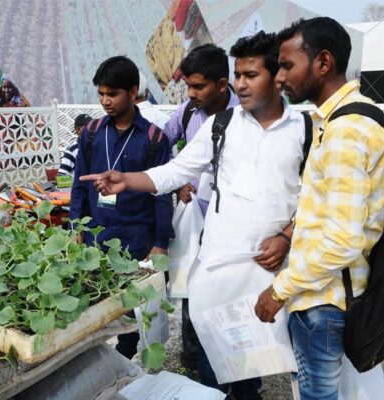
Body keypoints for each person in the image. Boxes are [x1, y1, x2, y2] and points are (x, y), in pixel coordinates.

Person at [81, 31, 308, 399]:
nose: (241, 84)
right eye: (238, 75)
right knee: (214, 363)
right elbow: (175, 171)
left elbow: (313, 201)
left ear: (278, 77)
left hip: (269, 272)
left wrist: (287, 236)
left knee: (264, 363)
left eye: (251, 75)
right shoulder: (223, 125)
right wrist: (128, 179)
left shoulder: (304, 131)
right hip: (218, 270)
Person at [253, 18, 384, 400]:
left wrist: (279, 290)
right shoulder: (340, 119)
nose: (279, 77)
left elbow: (342, 240)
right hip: (328, 296)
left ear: (323, 63)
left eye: (286, 65)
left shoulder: (346, 130)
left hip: (324, 301)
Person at [69, 56, 174, 359]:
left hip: (136, 237)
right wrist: (76, 227)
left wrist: (160, 243)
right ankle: (99, 360)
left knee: (133, 307)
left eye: (112, 94)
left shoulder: (154, 139)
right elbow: (79, 185)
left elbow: (162, 193)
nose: (105, 101)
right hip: (97, 236)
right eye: (101, 94)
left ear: (132, 91)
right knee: (95, 303)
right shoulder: (90, 133)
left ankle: (126, 359)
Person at [162, 43, 239, 376]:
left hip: (233, 226)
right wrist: (177, 180)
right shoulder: (187, 113)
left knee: (233, 299)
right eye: (188, 86)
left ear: (222, 84)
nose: (191, 93)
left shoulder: (245, 115)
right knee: (191, 291)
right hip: (194, 221)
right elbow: (160, 142)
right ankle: (194, 364)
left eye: (198, 87)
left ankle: (240, 374)